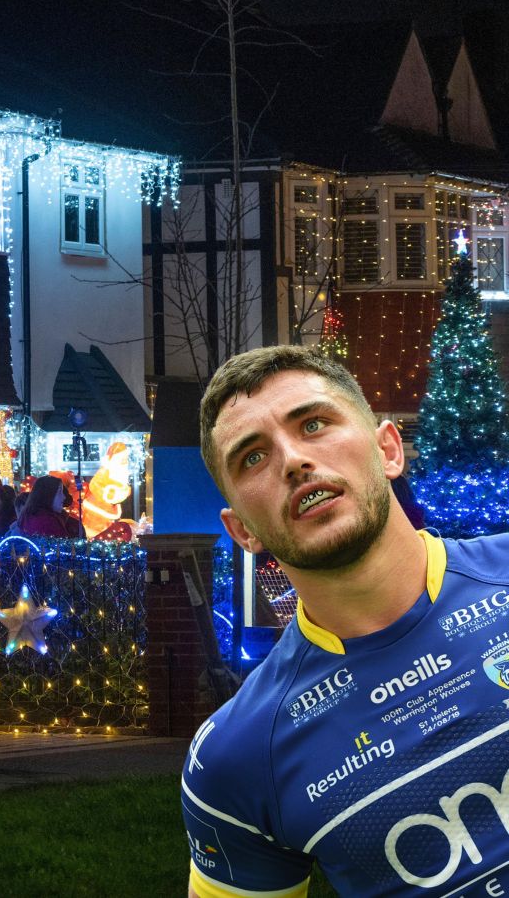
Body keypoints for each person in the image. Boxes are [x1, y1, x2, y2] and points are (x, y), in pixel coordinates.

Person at [182, 345, 509, 897]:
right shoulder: (236, 757)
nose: (292, 460)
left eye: (313, 423)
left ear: (388, 449)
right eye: (253, 457)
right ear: (243, 531)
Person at [14, 474, 85, 539]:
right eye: (59, 492)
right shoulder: (46, 522)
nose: (63, 497)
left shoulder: (32, 516)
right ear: (48, 495)